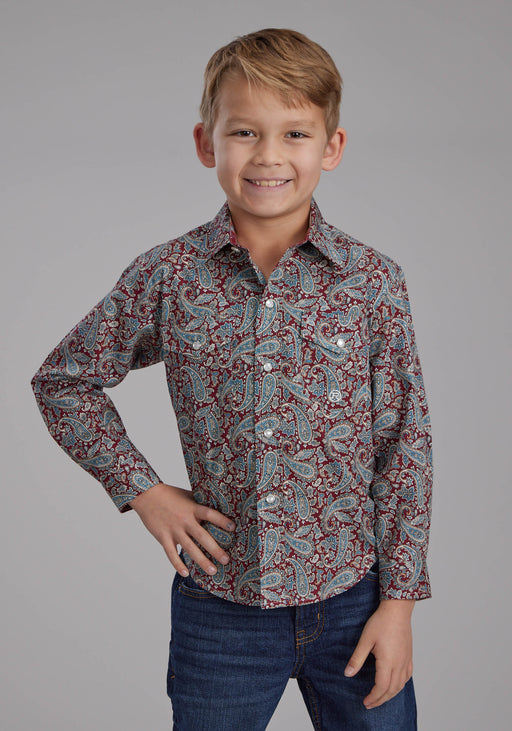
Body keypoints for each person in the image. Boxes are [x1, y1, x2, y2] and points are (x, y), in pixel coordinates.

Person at [31, 28, 432, 731]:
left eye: (295, 133)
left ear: (331, 147)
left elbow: (404, 445)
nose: (269, 155)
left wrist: (397, 604)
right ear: (206, 143)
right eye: (244, 131)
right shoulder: (169, 275)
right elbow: (63, 381)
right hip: (221, 608)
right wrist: (143, 491)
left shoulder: (372, 282)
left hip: (355, 600)